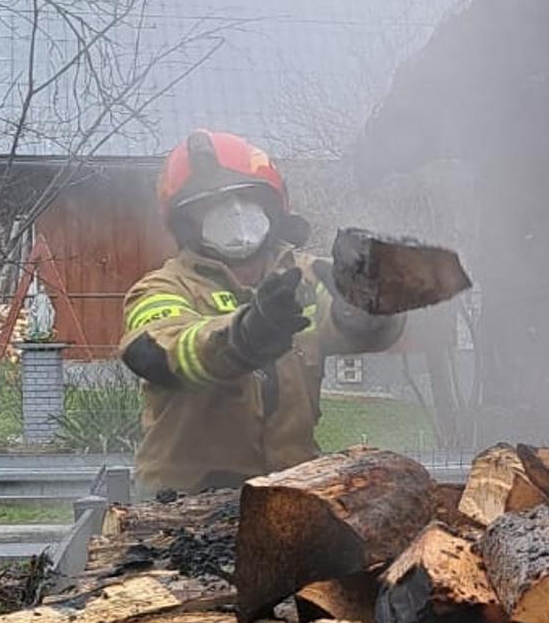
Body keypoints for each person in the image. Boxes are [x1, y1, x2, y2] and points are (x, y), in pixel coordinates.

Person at [119, 130, 404, 494]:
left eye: (245, 197)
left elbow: (364, 329)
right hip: (182, 508)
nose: (235, 212)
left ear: (272, 207)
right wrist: (242, 337)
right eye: (213, 203)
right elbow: (159, 351)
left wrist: (368, 310)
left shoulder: (304, 276)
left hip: (289, 500)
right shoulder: (163, 288)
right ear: (186, 221)